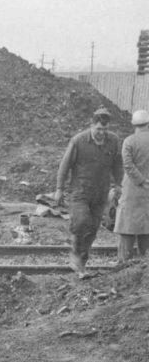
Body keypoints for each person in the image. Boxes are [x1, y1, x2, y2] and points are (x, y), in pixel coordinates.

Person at [54, 107, 123, 277]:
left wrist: (119, 184)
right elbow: (65, 165)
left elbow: (117, 164)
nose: (101, 133)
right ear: (92, 125)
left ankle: (81, 262)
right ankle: (76, 251)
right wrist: (59, 189)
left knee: (92, 229)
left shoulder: (113, 141)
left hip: (101, 193)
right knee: (81, 222)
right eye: (98, 129)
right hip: (80, 191)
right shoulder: (78, 141)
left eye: (105, 130)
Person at [114, 109, 149, 262]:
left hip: (132, 191)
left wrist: (141, 180)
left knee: (127, 229)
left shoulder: (129, 141)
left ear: (134, 124)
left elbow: (127, 164)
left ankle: (123, 266)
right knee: (146, 230)